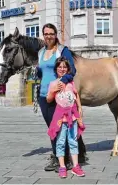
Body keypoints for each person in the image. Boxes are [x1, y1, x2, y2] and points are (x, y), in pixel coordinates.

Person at [36, 23, 86, 171]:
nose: (48, 36)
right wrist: (36, 73)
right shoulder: (41, 52)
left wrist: (62, 81)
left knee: (61, 128)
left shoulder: (62, 50)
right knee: (52, 129)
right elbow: (42, 72)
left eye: (51, 33)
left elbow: (72, 70)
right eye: (46, 34)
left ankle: (66, 160)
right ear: (43, 35)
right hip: (44, 95)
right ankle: (58, 158)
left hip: (59, 96)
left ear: (55, 34)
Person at [46, 57, 86, 178]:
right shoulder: (53, 83)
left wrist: (79, 107)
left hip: (72, 116)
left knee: (73, 141)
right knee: (61, 142)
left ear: (67, 69)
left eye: (64, 67)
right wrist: (53, 91)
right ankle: (62, 166)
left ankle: (75, 166)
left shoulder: (70, 83)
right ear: (56, 69)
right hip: (60, 118)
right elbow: (48, 99)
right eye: (60, 67)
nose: (62, 69)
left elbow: (76, 94)